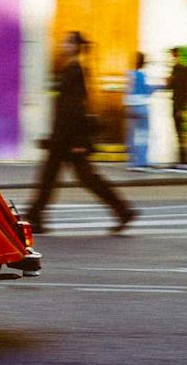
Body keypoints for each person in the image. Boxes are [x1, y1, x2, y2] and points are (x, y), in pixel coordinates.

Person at [27, 31, 136, 235]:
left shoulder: (75, 70)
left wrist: (77, 140)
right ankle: (35, 216)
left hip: (68, 138)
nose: (62, 45)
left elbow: (76, 107)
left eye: (67, 42)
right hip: (63, 137)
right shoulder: (71, 69)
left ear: (75, 46)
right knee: (54, 178)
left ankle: (123, 211)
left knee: (79, 179)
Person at [124, 51, 152, 169]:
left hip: (133, 107)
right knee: (143, 135)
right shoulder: (145, 75)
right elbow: (149, 90)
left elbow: (128, 90)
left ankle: (132, 161)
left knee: (131, 135)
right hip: (144, 107)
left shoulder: (130, 74)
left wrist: (126, 106)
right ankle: (142, 161)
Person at [167, 47, 187, 169]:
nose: (172, 58)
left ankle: (184, 162)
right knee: (180, 133)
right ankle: (182, 161)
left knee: (181, 133)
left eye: (173, 56)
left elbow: (185, 90)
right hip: (178, 106)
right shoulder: (183, 70)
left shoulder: (180, 70)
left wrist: (183, 108)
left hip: (179, 106)